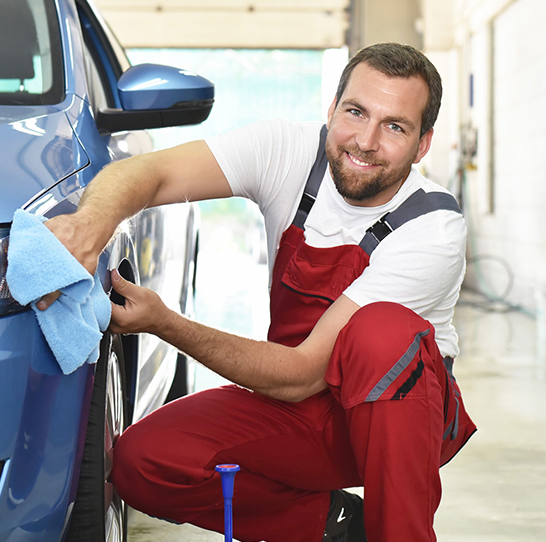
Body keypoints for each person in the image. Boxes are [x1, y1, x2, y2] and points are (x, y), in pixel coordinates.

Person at [42, 42, 476, 542]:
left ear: (423, 145)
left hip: (394, 418)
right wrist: (87, 227)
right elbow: (149, 172)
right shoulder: (286, 150)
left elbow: (300, 375)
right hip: (303, 406)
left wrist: (166, 322)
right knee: (144, 463)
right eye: (356, 112)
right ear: (331, 109)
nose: (366, 140)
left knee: (381, 334)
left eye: (395, 126)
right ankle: (333, 526)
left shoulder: (432, 227)